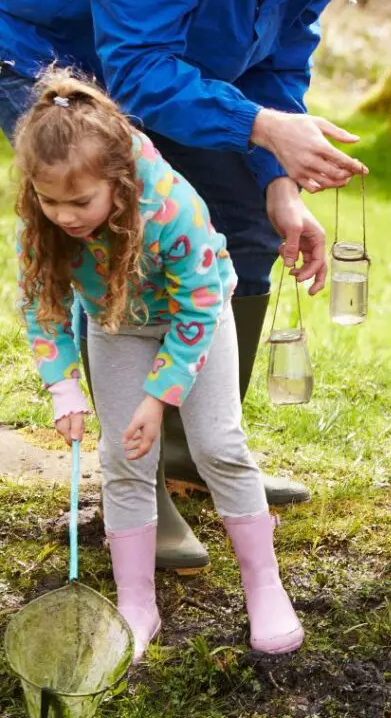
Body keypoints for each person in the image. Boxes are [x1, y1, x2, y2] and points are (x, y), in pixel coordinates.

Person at [0, 0, 391, 570]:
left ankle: (195, 447)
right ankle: (133, 485)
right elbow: (135, 71)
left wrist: (278, 180)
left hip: (160, 62)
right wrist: (263, 128)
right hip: (40, 50)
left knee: (249, 226)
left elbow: (276, 64)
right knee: (113, 232)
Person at [16, 72, 303, 661]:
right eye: (50, 201)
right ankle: (136, 602)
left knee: (218, 445)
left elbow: (198, 306)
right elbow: (42, 305)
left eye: (80, 202)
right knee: (124, 456)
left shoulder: (170, 207)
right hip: (116, 324)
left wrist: (159, 397)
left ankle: (264, 586)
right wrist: (63, 386)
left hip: (195, 319)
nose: (65, 215)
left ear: (118, 182)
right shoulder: (44, 220)